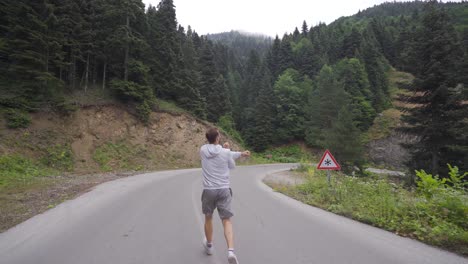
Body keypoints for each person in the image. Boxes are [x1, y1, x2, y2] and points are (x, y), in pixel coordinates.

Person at [200, 127, 250, 264]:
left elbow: (220, 151)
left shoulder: (203, 150)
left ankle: (209, 245)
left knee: (208, 217)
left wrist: (227, 149)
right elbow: (232, 160)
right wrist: (240, 153)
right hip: (224, 190)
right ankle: (231, 252)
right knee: (226, 220)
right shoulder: (225, 152)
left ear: (207, 138)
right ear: (217, 138)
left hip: (209, 190)